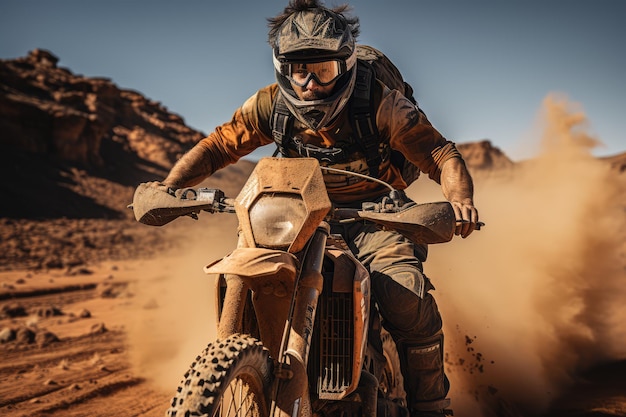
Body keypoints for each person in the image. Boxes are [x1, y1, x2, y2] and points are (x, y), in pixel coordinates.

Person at [149, 0, 478, 415]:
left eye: (323, 71)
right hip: (296, 215)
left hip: (378, 214)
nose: (309, 84)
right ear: (282, 67)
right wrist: (170, 187)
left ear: (346, 64)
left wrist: (460, 201)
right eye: (299, 70)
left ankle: (433, 406)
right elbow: (217, 147)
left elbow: (440, 154)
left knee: (402, 295)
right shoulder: (270, 105)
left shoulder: (381, 103)